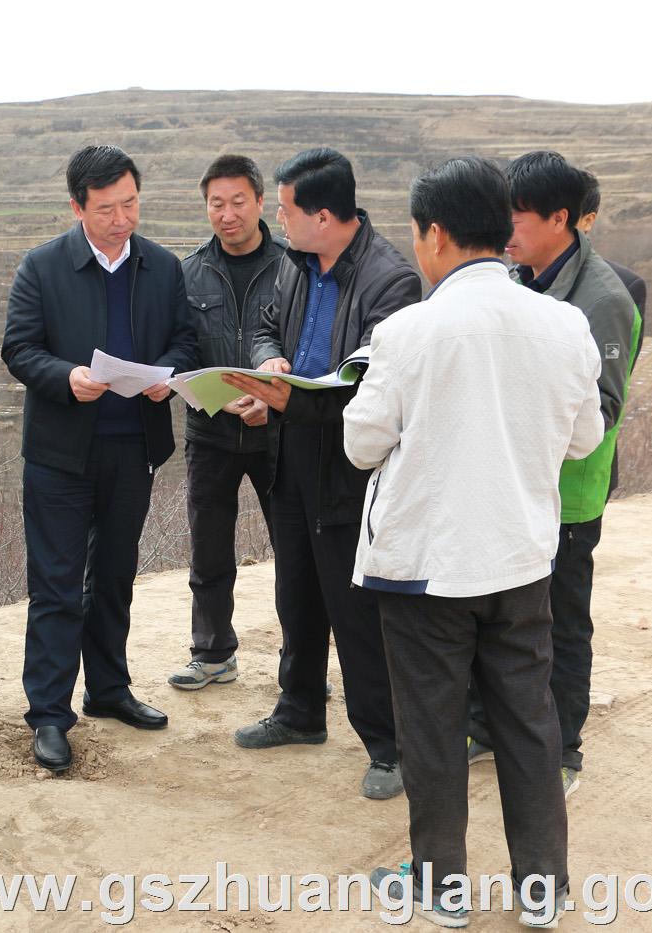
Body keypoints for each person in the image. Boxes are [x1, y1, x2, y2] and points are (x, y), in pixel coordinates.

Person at [345, 155, 604, 929]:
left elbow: (361, 444)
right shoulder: (563, 322)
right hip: (521, 558)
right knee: (529, 720)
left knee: (432, 727)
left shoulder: (407, 331)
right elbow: (585, 437)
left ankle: (441, 886)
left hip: (427, 568)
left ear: (435, 234)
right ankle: (543, 888)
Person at [223, 148, 419, 800]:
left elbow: (373, 384)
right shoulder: (295, 264)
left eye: (285, 210)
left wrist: (291, 401)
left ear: (325, 216)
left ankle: (389, 745)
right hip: (290, 452)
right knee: (297, 593)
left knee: (355, 607)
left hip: (348, 463)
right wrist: (269, 363)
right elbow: (265, 326)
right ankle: (300, 709)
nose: (277, 221)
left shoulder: (389, 281)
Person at [2, 146, 197, 772]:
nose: (122, 220)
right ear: (77, 207)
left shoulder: (162, 267)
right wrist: (67, 377)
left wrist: (168, 374)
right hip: (60, 454)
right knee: (56, 586)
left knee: (114, 576)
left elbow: (184, 339)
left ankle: (109, 690)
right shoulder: (42, 267)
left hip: (132, 447)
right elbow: (19, 349)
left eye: (130, 204)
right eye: (107, 209)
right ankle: (49, 714)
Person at [467, 151, 642, 797]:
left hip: (567, 494)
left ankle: (563, 747)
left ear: (561, 219)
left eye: (517, 215)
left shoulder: (603, 299)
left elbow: (604, 406)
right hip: (509, 483)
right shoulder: (515, 278)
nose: (504, 227)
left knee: (561, 624)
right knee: (492, 614)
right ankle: (485, 725)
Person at [168, 154, 286, 691]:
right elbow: (179, 349)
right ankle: (212, 653)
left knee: (294, 552)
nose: (227, 214)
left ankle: (299, 661)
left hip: (278, 434)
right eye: (217, 204)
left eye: (238, 201)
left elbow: (304, 345)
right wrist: (213, 398)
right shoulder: (189, 271)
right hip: (211, 432)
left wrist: (273, 400)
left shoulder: (292, 267)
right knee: (209, 549)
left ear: (259, 202)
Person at [578, 167, 647, 497]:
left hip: (586, 460)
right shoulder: (514, 276)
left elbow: (615, 377)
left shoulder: (622, 286)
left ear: (587, 221)